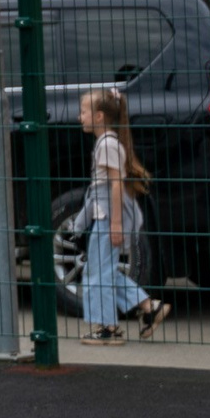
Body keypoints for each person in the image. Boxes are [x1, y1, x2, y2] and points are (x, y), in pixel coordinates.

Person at [79, 87, 169, 344]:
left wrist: (115, 224)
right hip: (106, 217)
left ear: (99, 116)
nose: (79, 117)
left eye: (83, 112)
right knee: (101, 270)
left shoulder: (107, 143)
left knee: (100, 273)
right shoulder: (107, 142)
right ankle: (149, 306)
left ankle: (109, 329)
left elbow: (117, 184)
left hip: (108, 218)